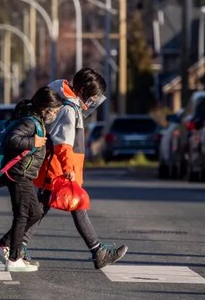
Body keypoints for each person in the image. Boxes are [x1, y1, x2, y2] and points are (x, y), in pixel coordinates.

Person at [24, 68, 128, 270]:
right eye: (92, 97)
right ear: (82, 91)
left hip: (61, 168)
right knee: (49, 209)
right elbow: (63, 144)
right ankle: (14, 246)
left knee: (54, 209)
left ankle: (98, 252)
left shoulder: (68, 103)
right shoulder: (68, 109)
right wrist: (69, 168)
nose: (92, 103)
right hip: (58, 170)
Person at [0, 87, 62, 272]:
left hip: (25, 175)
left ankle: (2, 244)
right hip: (18, 174)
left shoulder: (37, 122)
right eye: (55, 111)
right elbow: (12, 140)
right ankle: (14, 259)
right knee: (22, 215)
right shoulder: (30, 122)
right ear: (46, 108)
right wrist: (34, 143)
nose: (55, 114)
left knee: (35, 214)